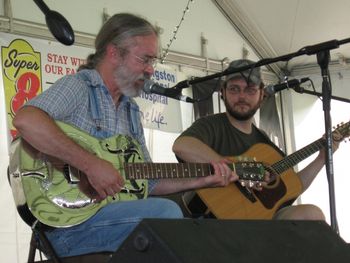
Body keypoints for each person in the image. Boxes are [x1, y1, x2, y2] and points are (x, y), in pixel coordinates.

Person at [12, 13, 237, 258]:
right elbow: (26, 120)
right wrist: (90, 164)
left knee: (190, 227)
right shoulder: (79, 87)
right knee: (165, 215)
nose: (151, 70)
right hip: (69, 226)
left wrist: (205, 179)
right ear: (114, 53)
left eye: (153, 61)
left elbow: (149, 181)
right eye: (145, 59)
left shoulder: (131, 111)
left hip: (116, 220)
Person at [172, 58, 340, 221]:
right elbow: (182, 146)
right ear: (222, 92)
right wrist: (237, 169)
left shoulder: (264, 143)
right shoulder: (211, 125)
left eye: (250, 90)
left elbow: (293, 187)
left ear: (262, 94)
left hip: (260, 219)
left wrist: (322, 158)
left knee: (311, 214)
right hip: (212, 217)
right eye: (234, 89)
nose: (242, 96)